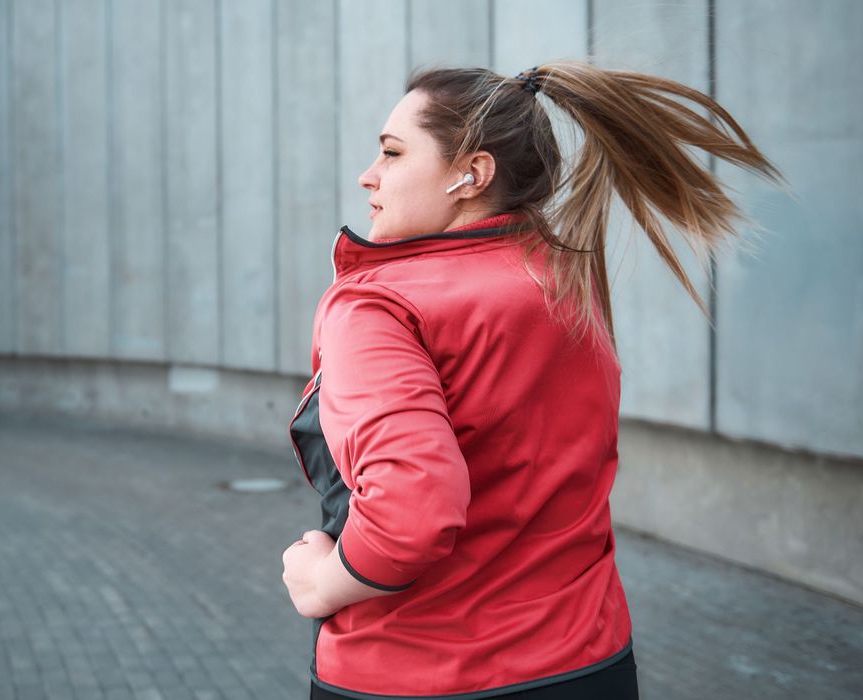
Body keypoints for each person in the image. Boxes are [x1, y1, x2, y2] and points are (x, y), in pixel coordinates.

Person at [281, 62, 781, 700]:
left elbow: (412, 513)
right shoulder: (564, 282)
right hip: (589, 663)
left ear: (473, 174)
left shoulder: (378, 305)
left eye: (393, 152)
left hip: (416, 673)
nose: (368, 175)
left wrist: (321, 583)